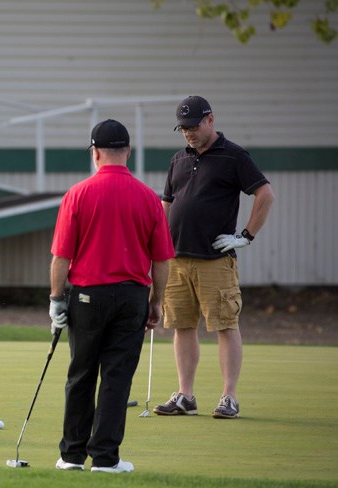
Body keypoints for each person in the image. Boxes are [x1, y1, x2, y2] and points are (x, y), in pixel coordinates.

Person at [49, 119, 175, 473]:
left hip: (87, 296)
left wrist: (56, 300)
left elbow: (61, 257)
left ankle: (72, 456)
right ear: (128, 152)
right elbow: (162, 260)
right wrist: (156, 302)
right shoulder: (149, 198)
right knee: (117, 377)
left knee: (81, 374)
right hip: (132, 297)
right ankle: (105, 459)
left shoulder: (78, 194)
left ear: (96, 152)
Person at [154, 95, 275, 419]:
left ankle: (228, 396)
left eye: (193, 126)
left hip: (214, 259)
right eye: (183, 129)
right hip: (177, 258)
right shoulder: (178, 159)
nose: (189, 134)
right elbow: (168, 203)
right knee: (181, 325)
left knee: (225, 325)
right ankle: (185, 395)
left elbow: (265, 194)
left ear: (210, 120)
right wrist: (156, 242)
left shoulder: (234, 156)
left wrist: (245, 236)